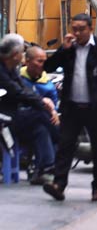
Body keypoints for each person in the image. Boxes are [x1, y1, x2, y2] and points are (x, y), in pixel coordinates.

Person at [42, 13, 97, 202]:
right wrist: (63, 49)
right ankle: (59, 184)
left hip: (96, 109)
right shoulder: (69, 49)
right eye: (74, 29)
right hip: (72, 107)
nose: (77, 33)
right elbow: (48, 66)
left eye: (81, 29)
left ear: (90, 29)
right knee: (65, 145)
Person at [0, 34, 58, 185]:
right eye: (22, 53)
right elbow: (17, 92)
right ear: (14, 55)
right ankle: (62, 138)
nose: (23, 56)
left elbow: (25, 89)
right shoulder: (1, 71)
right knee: (42, 115)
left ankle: (44, 169)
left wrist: (42, 101)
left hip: (13, 115)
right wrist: (45, 105)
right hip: (4, 118)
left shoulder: (12, 69)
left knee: (40, 129)